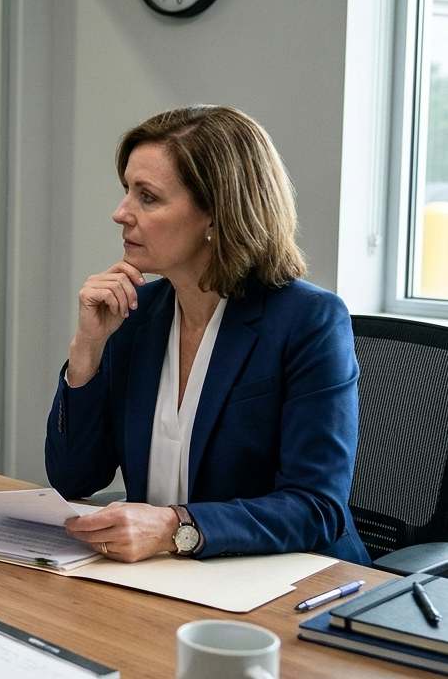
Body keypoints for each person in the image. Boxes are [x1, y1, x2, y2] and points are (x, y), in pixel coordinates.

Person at [45, 105, 369, 566]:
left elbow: (316, 507)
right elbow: (73, 478)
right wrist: (87, 349)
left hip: (291, 581)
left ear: (217, 215)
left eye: (147, 197)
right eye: (126, 191)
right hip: (166, 578)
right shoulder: (134, 313)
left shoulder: (309, 320)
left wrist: (174, 527)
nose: (120, 213)